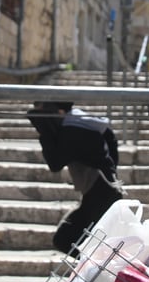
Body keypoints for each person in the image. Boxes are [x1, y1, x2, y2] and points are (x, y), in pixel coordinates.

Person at [27, 100, 124, 254]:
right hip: (99, 192)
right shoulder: (80, 122)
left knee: (65, 239)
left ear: (59, 112)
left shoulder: (71, 131)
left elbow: (55, 163)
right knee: (68, 240)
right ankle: (92, 271)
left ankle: (96, 272)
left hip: (100, 195)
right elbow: (110, 137)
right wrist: (110, 169)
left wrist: (44, 133)